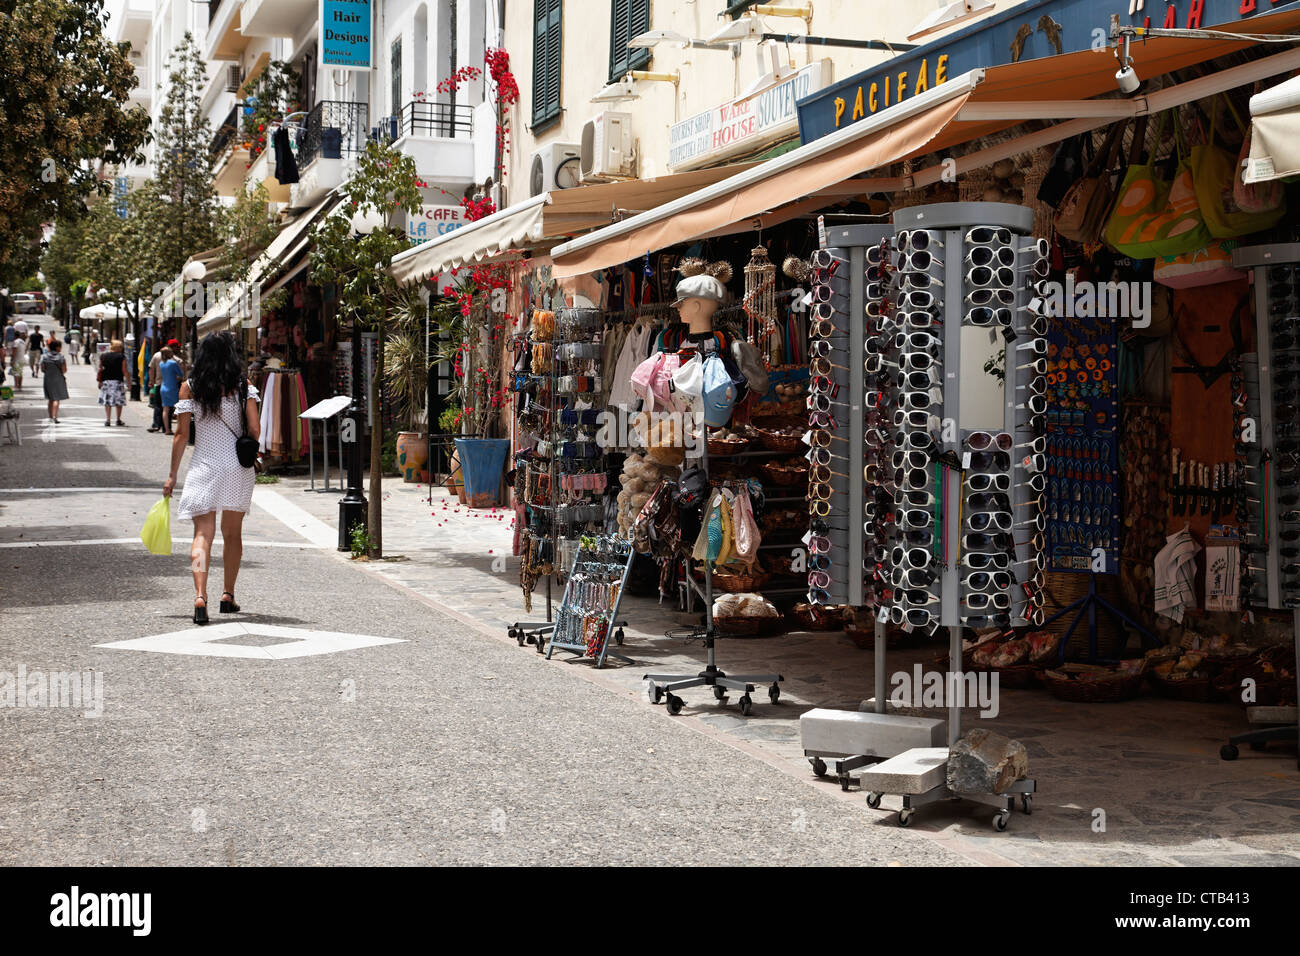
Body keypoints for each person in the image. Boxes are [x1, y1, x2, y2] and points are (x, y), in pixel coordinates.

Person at [163, 331, 261, 624]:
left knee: (202, 535)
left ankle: (200, 596)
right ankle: (228, 595)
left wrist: (171, 475)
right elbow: (255, 430)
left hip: (204, 467)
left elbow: (180, 435)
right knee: (232, 534)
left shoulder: (190, 387)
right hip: (237, 468)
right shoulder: (244, 387)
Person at [97, 339, 131, 426]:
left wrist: (100, 381)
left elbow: (100, 369)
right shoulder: (121, 357)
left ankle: (108, 420)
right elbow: (124, 370)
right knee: (118, 401)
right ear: (119, 347)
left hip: (106, 381)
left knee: (107, 401)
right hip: (117, 381)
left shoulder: (103, 356)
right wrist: (129, 382)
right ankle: (118, 419)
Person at [158, 346, 183, 434]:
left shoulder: (161, 363)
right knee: (178, 408)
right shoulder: (173, 363)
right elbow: (180, 374)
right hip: (172, 387)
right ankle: (179, 429)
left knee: (165, 409)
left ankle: (167, 429)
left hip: (163, 387)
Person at [42, 338, 68, 423]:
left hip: (48, 378)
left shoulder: (45, 356)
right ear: (57, 347)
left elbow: (42, 369)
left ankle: (50, 416)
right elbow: (64, 370)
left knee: (50, 398)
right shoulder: (61, 357)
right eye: (60, 347)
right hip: (58, 379)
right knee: (56, 398)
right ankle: (55, 417)